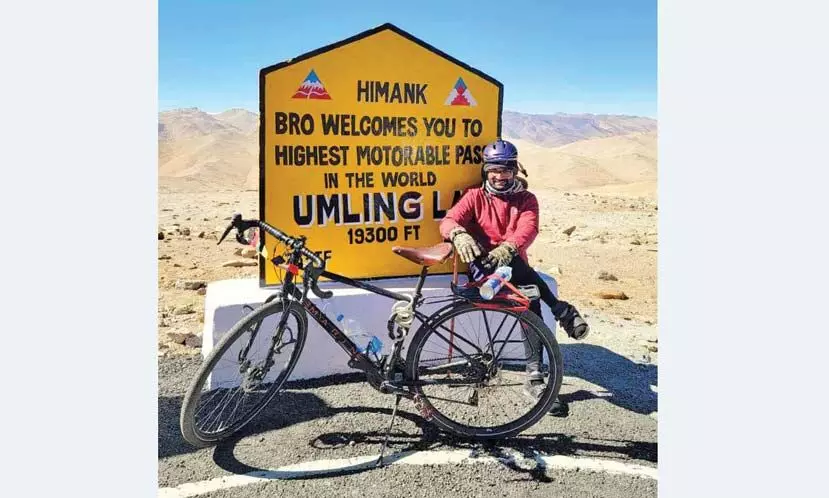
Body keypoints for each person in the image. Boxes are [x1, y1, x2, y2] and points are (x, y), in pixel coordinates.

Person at [439, 138, 590, 417]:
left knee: (530, 296)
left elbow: (528, 228)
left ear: (515, 170)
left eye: (506, 170)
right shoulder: (474, 197)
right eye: (494, 170)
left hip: (514, 266)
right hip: (484, 268)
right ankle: (561, 310)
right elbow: (449, 219)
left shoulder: (526, 200)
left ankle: (534, 377)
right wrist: (457, 234)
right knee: (528, 285)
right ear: (485, 171)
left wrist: (508, 248)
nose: (500, 176)